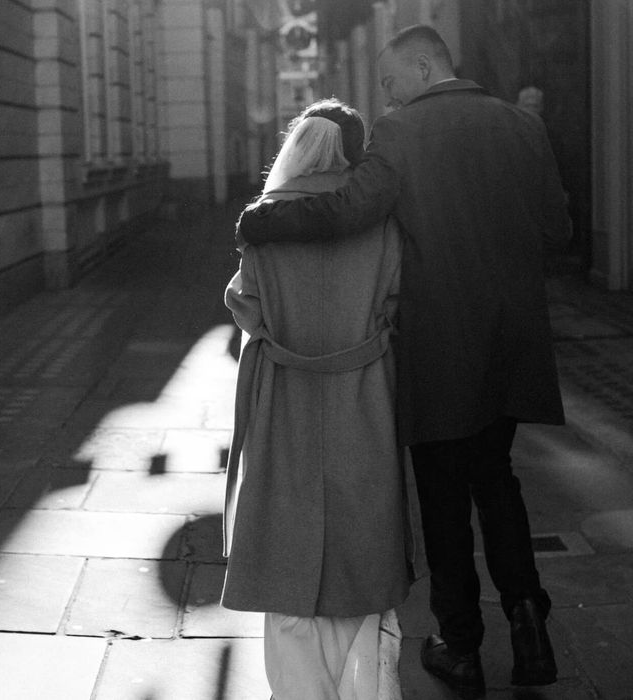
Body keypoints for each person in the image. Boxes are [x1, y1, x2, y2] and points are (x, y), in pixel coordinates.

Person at [236, 25, 571, 700]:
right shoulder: (520, 125)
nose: (384, 93)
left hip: (441, 346)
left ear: (424, 68)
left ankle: (463, 649)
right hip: (512, 343)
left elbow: (349, 208)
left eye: (389, 79)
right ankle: (530, 627)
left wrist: (264, 221)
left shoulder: (400, 132)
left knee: (443, 497)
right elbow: (558, 231)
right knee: (497, 482)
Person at [222, 98, 424, 700]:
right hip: (363, 394)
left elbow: (244, 306)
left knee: (286, 558)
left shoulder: (264, 220)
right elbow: (393, 302)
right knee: (362, 550)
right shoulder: (379, 220)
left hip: (284, 396)